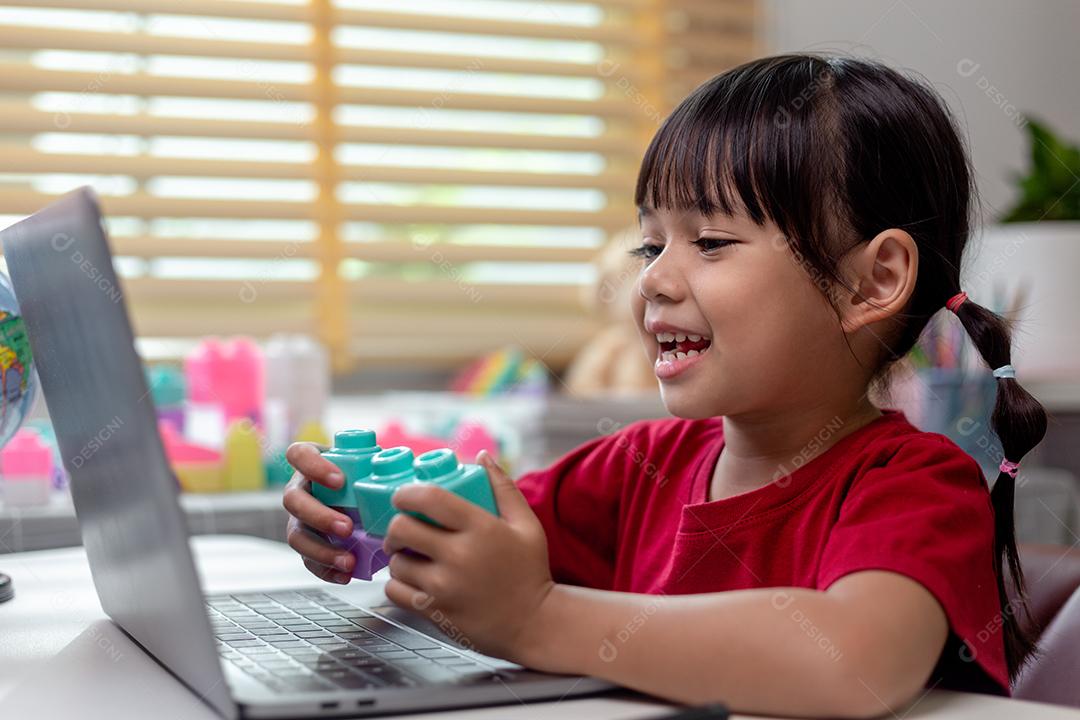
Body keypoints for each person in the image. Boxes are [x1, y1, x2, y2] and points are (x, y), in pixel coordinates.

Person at [282, 54, 1047, 717]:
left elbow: (852, 662)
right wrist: (370, 532)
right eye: (652, 243)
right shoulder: (634, 467)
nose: (651, 279)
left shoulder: (915, 486)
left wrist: (538, 619)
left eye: (711, 242)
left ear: (870, 282)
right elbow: (483, 551)